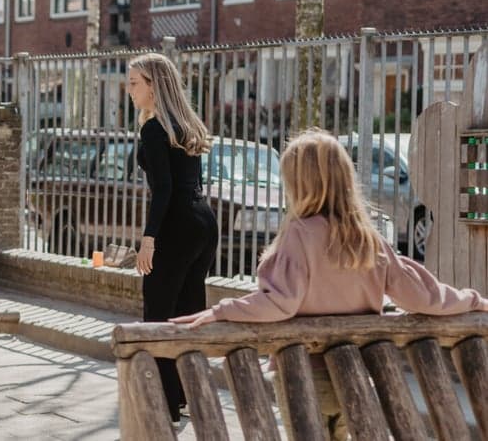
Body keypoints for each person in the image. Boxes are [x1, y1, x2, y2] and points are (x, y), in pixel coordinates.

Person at [171, 129, 488, 440]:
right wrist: (473, 300)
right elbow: (423, 297)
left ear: (299, 183)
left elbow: (280, 303)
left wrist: (222, 310)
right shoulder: (368, 240)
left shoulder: (299, 234)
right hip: (356, 374)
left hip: (303, 373)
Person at [125, 52, 218, 424]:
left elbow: (162, 189)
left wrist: (149, 239)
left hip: (176, 225)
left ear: (154, 86)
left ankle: (166, 402)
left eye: (134, 82)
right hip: (202, 222)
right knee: (188, 313)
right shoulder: (185, 124)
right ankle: (188, 396)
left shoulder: (154, 128)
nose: (129, 89)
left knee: (159, 314)